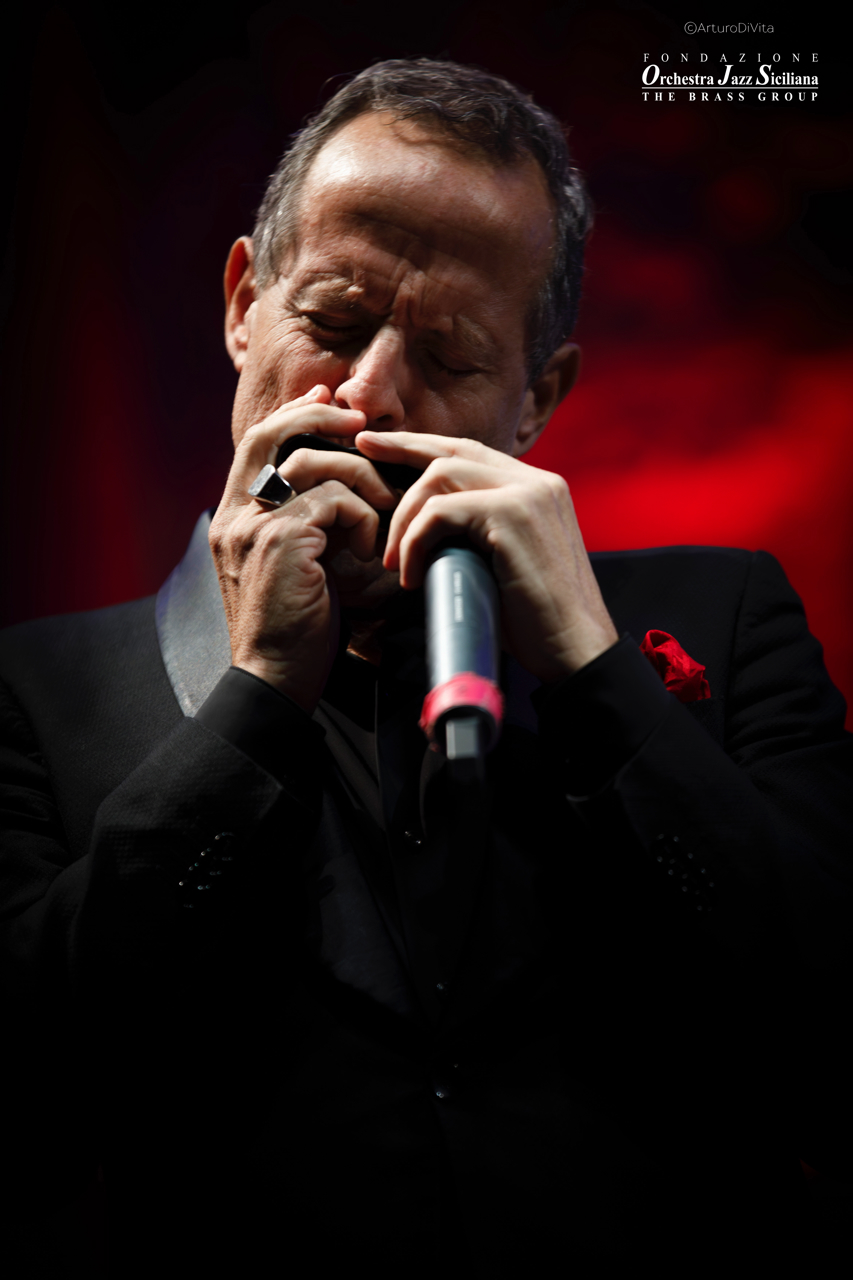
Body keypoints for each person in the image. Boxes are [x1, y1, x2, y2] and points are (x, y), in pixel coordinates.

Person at [1, 58, 851, 1277]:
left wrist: (600, 679)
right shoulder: (38, 693)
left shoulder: (723, 618)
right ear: (243, 304)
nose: (368, 395)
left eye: (449, 356)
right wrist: (250, 706)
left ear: (535, 399)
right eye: (333, 322)